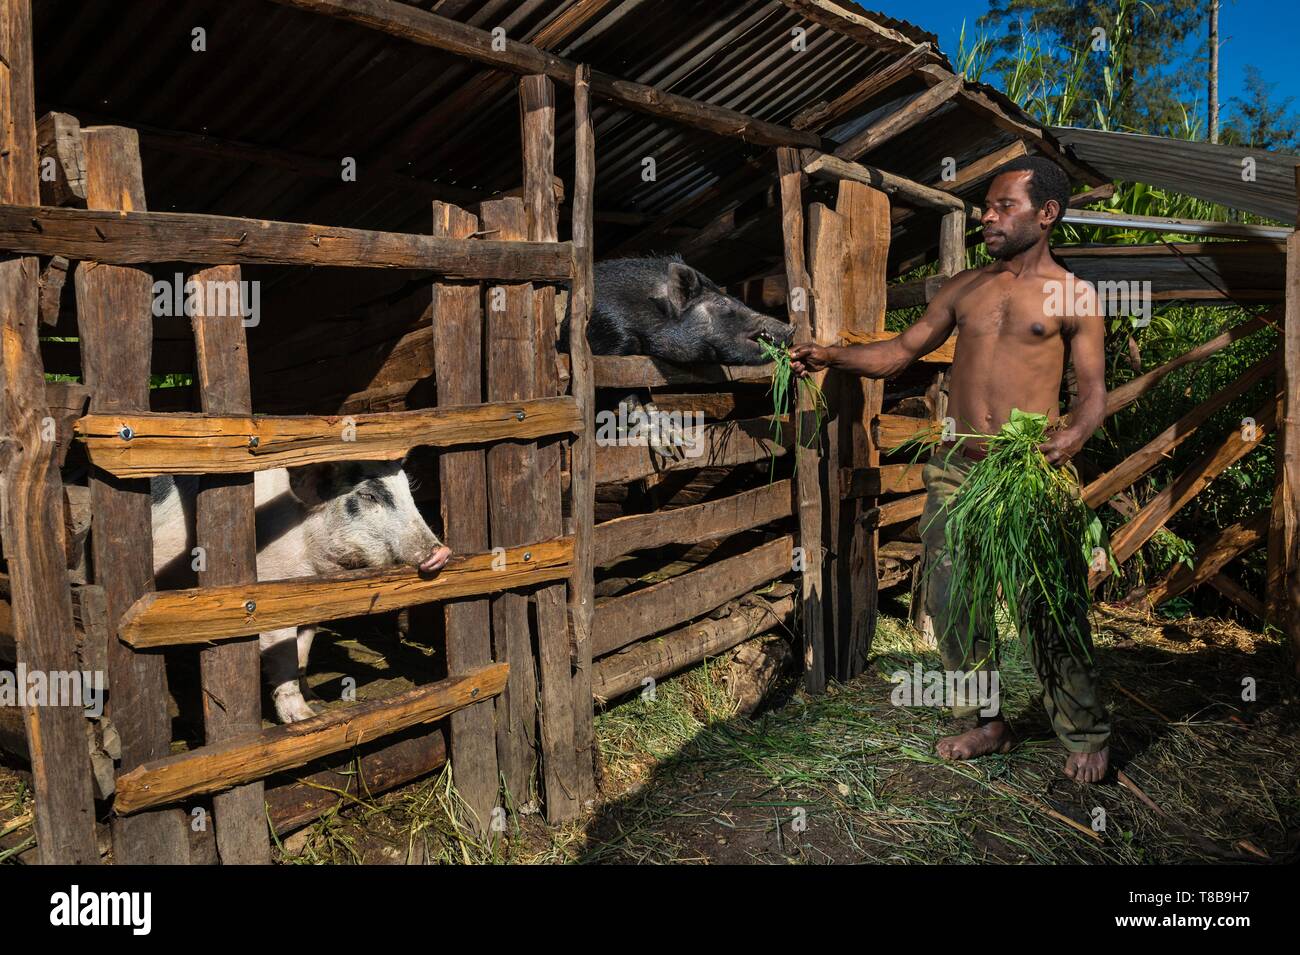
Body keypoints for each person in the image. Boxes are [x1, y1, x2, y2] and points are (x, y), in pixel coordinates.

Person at [790, 156, 1111, 783]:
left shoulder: (1074, 296)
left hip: (1025, 473)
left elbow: (1094, 391)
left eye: (1003, 207)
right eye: (985, 207)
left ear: (1046, 214)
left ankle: (1085, 729)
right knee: (950, 593)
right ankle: (987, 720)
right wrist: (833, 355)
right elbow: (899, 353)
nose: (987, 217)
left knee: (1048, 602)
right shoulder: (966, 286)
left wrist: (1073, 434)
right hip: (957, 467)